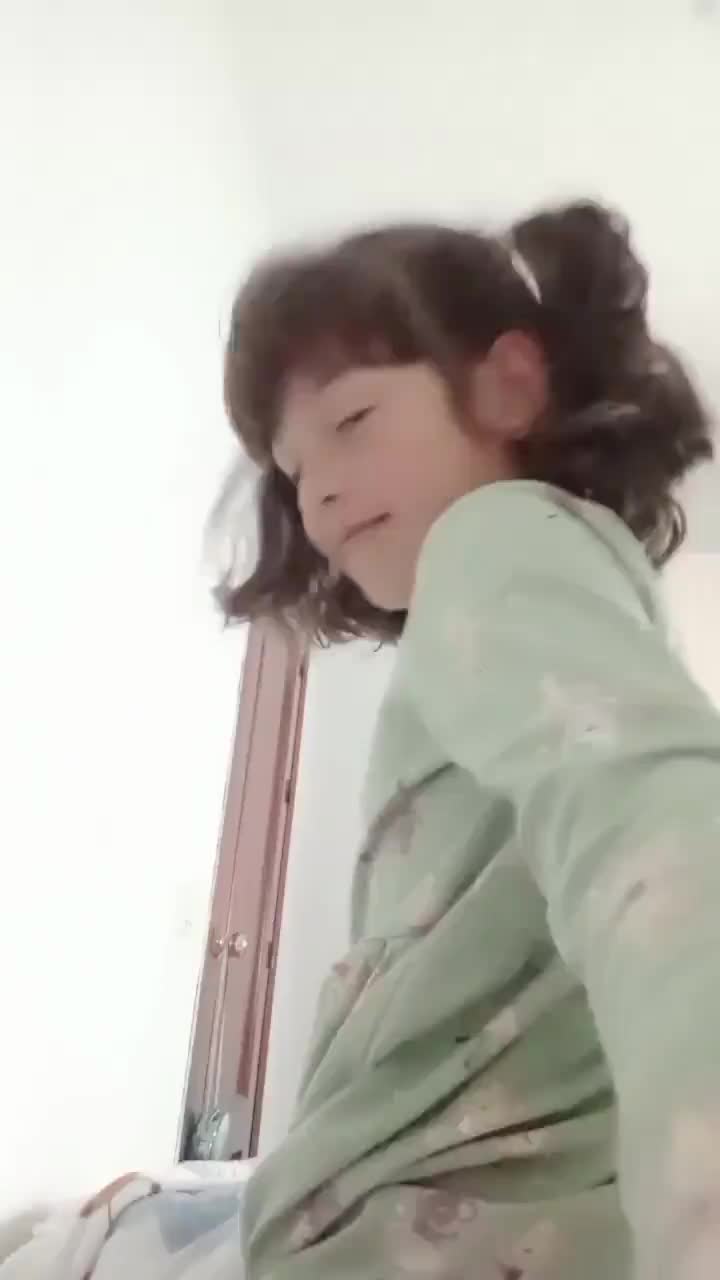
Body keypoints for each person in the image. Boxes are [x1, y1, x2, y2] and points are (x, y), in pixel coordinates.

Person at [215, 200, 720, 1280]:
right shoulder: (545, 590)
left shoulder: (494, 540)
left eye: (352, 420)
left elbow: (651, 814)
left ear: (508, 388)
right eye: (293, 471)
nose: (320, 489)